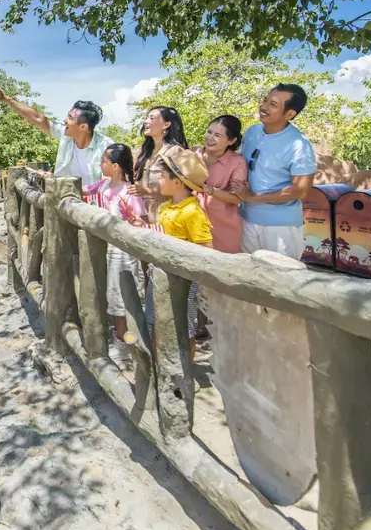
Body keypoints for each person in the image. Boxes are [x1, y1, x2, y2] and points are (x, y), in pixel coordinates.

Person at [234, 84, 317, 259]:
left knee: (281, 280)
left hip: (280, 228)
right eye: (265, 100)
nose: (263, 107)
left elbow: (300, 190)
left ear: (289, 114)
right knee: (246, 278)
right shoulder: (252, 132)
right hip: (246, 219)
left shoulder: (298, 145)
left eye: (273, 104)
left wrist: (253, 198)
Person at [82, 143, 148, 362]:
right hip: (107, 248)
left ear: (116, 166)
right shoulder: (103, 185)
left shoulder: (129, 192)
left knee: (124, 296)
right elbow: (83, 190)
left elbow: (141, 221)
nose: (100, 164)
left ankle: (126, 341)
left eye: (104, 161)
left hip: (123, 252)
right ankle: (119, 336)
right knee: (112, 294)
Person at [146, 144, 212, 356]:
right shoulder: (166, 207)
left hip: (182, 278)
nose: (159, 181)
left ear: (176, 183)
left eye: (163, 177)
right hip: (160, 273)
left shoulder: (193, 212)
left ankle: (185, 372)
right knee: (156, 319)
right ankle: (159, 367)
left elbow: (206, 248)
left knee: (184, 325)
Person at [194, 115, 248, 343]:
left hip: (223, 227)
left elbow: (236, 198)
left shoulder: (237, 162)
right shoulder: (194, 154)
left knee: (221, 278)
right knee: (197, 276)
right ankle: (201, 327)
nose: (210, 138)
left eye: (218, 135)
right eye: (209, 132)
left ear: (231, 140)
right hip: (194, 224)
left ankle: (224, 330)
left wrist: (209, 190)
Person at [0, 89, 111, 183]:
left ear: (83, 127)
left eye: (70, 118)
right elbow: (37, 118)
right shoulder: (65, 134)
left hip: (95, 210)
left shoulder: (106, 147)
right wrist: (5, 98)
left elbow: (117, 181)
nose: (64, 120)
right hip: (66, 204)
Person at [129, 106, 188, 220]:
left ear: (166, 125)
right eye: (146, 118)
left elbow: (180, 188)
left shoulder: (175, 151)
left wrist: (148, 191)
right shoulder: (144, 152)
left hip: (166, 217)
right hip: (142, 216)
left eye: (152, 118)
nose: (146, 121)